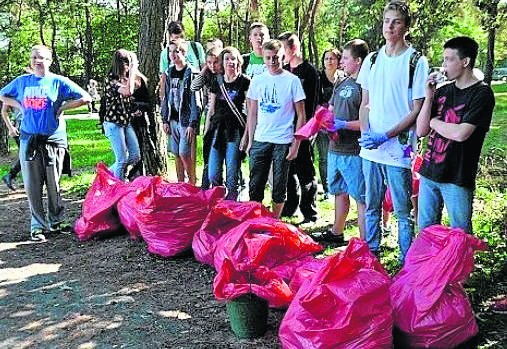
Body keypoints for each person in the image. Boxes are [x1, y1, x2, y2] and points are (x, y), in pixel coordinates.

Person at [357, 1, 429, 263]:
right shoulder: (372, 59)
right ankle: (372, 257)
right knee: (371, 206)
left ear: (406, 26)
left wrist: (385, 135)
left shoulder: (416, 61)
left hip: (398, 149)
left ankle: (406, 262)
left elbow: (416, 109)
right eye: (387, 20)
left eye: (396, 21)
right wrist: (366, 131)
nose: (389, 26)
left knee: (402, 210)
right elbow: (364, 102)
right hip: (371, 150)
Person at [0, 44, 91, 241]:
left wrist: (63, 107)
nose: (37, 61)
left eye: (41, 58)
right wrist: (20, 105)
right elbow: (2, 95)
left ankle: (55, 221)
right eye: (34, 58)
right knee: (33, 185)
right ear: (30, 61)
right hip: (29, 140)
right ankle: (37, 226)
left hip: (53, 141)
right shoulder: (22, 82)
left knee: (53, 183)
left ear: (49, 61)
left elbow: (86, 97)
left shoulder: (58, 81)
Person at [416, 36, 495, 233]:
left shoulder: (481, 94)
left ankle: (463, 265)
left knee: (460, 234)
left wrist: (434, 122)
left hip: (457, 176)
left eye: (449, 59)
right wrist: (429, 96)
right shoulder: (443, 91)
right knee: (426, 230)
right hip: (429, 171)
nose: (443, 65)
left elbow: (461, 133)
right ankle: (431, 265)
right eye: (443, 59)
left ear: (465, 62)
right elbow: (421, 130)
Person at [314, 39, 369, 244]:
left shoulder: (365, 86)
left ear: (358, 60)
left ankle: (366, 242)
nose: (341, 62)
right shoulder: (341, 83)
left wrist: (343, 124)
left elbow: (367, 122)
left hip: (353, 151)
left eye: (345, 58)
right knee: (339, 191)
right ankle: (337, 233)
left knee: (361, 197)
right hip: (334, 148)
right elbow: (331, 109)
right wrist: (323, 121)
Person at [244, 39, 306, 218]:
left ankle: (274, 220)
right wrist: (250, 140)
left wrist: (296, 144)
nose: (272, 61)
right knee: (255, 185)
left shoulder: (292, 81)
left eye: (276, 57)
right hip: (261, 139)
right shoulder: (257, 81)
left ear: (283, 57)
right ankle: (255, 220)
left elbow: (301, 115)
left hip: (283, 140)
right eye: (268, 58)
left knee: (279, 185)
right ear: (263, 57)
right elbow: (253, 113)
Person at [278, 32, 319, 225]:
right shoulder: (283, 70)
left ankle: (309, 211)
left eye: (284, 48)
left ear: (293, 48)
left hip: (304, 128)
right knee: (287, 169)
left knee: (305, 171)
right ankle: (289, 206)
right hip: (285, 128)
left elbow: (313, 104)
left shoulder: (309, 71)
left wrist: (308, 130)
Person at [206, 47, 250, 200]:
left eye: (233, 58)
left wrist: (247, 136)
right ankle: (218, 202)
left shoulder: (245, 82)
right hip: (217, 129)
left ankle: (232, 205)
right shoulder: (217, 81)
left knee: (232, 172)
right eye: (226, 59)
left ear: (239, 61)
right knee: (213, 173)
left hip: (235, 131)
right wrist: (206, 132)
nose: (230, 62)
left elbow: (250, 112)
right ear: (222, 62)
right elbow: (211, 110)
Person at [161, 41, 202, 185]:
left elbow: (196, 100)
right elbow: (165, 97)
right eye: (171, 52)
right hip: (172, 119)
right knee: (176, 153)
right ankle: (180, 184)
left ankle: (191, 182)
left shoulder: (192, 73)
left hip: (185, 120)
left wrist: (193, 123)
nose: (173, 55)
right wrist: (165, 119)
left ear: (184, 53)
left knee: (185, 152)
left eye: (176, 51)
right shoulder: (169, 72)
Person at [99, 49, 141, 181]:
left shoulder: (126, 78)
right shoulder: (111, 79)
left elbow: (138, 84)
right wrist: (133, 68)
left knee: (135, 155)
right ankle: (118, 191)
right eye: (127, 63)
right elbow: (128, 91)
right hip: (113, 124)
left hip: (125, 122)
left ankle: (106, 175)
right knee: (122, 159)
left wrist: (135, 68)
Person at [191, 47, 222, 190]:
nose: (212, 66)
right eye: (209, 62)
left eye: (215, 62)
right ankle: (204, 188)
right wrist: (204, 69)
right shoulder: (208, 75)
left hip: (223, 117)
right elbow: (194, 86)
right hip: (209, 116)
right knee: (208, 153)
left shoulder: (224, 76)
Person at [316, 48, 342, 200]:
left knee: (338, 157)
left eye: (332, 58)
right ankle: (327, 188)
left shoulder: (343, 78)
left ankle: (340, 187)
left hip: (340, 123)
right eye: (326, 58)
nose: (329, 61)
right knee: (324, 157)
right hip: (322, 124)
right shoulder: (319, 77)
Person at [129, 52, 154, 178]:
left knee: (139, 149)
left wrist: (140, 109)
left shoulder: (142, 80)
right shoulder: (121, 80)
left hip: (139, 121)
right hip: (125, 121)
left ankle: (138, 176)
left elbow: (148, 102)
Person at [1, 104, 22, 190]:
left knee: (28, 155)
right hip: (18, 128)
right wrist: (11, 128)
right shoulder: (13, 91)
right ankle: (10, 175)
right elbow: (4, 111)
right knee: (27, 155)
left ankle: (10, 175)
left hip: (29, 126)